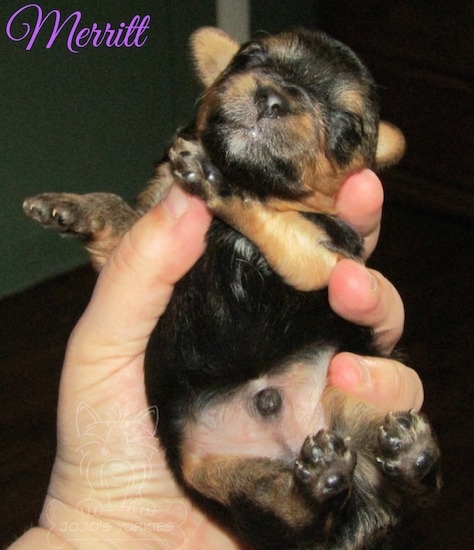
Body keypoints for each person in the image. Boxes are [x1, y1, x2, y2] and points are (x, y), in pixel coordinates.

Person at [9, 170, 423, 549]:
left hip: (298, 388)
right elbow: (138, 239)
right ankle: (340, 494)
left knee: (361, 428)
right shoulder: (193, 178)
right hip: (221, 427)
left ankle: (380, 486)